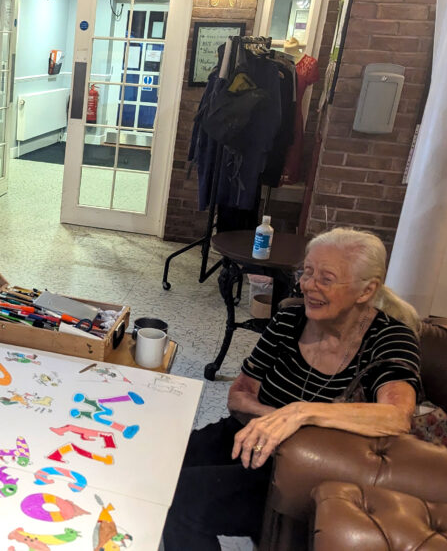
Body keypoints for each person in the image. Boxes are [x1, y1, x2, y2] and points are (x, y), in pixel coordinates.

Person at [161, 227, 422, 550]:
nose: (308, 285)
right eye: (307, 272)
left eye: (326, 278)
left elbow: (396, 416)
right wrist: (274, 419)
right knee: (161, 463)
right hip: (248, 433)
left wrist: (299, 415)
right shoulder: (289, 319)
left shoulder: (390, 337)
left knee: (183, 500)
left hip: (305, 470)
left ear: (366, 290)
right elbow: (239, 395)